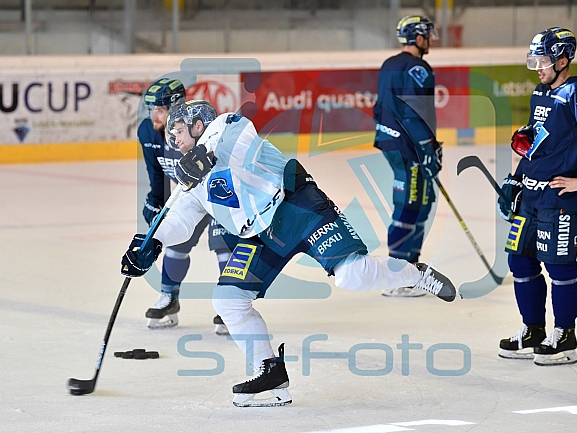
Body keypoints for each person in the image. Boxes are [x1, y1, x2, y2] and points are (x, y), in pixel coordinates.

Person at [121, 99, 457, 407]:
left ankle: (415, 274)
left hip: (296, 206)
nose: (174, 140)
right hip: (258, 234)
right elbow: (181, 219)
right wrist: (151, 242)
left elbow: (241, 146)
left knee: (353, 275)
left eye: (178, 131)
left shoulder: (227, 126)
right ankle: (270, 375)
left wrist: (204, 158)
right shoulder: (190, 175)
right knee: (228, 300)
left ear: (198, 124)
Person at [497, 28, 577, 366]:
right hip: (531, 195)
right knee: (520, 261)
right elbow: (543, 140)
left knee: (559, 265)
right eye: (534, 60)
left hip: (559, 199)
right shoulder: (541, 91)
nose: (537, 67)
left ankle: (565, 337)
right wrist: (519, 172)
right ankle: (533, 330)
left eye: (544, 60)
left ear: (563, 59)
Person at [139, 78, 238, 334]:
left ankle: (230, 306)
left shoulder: (202, 128)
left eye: (160, 110)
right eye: (152, 109)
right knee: (175, 242)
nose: (154, 116)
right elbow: (157, 172)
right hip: (189, 194)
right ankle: (169, 298)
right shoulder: (147, 131)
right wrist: (155, 201)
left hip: (217, 192)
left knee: (223, 246)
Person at [373, 15, 443, 297]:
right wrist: (427, 146)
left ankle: (411, 269)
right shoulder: (419, 68)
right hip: (410, 146)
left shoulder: (389, 64)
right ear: (417, 37)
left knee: (421, 202)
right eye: (427, 35)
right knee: (410, 205)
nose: (430, 40)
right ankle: (399, 275)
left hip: (393, 143)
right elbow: (415, 112)